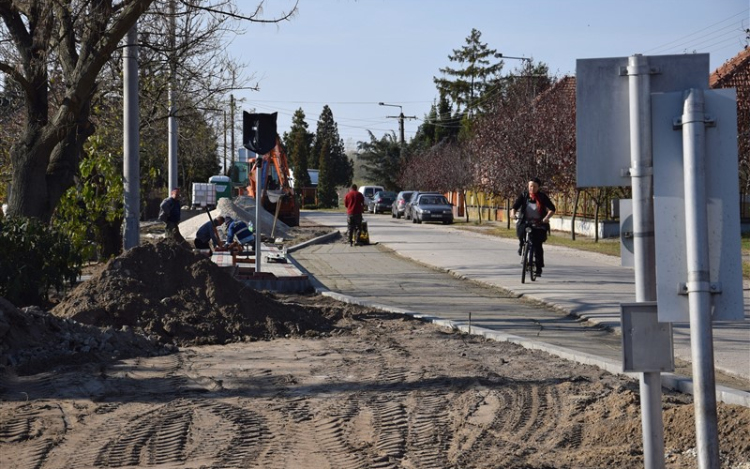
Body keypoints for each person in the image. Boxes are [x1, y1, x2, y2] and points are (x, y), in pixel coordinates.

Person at [510, 177, 556, 276]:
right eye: (531, 186)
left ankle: (538, 268)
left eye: (535, 186)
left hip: (539, 223)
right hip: (525, 221)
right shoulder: (524, 195)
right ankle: (521, 244)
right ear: (528, 186)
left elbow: (552, 209)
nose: (532, 188)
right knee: (521, 231)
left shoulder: (542, 197)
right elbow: (515, 206)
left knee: (537, 245)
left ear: (538, 187)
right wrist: (513, 214)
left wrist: (546, 218)